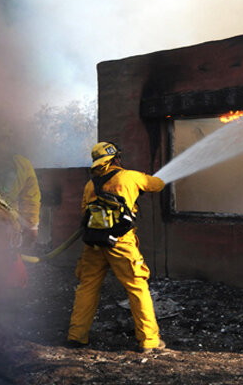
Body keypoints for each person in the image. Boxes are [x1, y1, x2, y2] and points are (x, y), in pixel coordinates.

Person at [66, 141, 167, 353]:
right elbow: (157, 184)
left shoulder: (90, 185)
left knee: (87, 286)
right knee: (136, 286)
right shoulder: (129, 176)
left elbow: (85, 212)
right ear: (115, 159)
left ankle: (76, 336)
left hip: (94, 243)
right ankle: (149, 340)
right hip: (121, 242)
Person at [5, 154, 41, 245]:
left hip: (6, 232)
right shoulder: (22, 165)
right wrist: (31, 226)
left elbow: (30, 199)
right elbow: (31, 198)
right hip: (3, 231)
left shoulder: (22, 165)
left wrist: (31, 226)